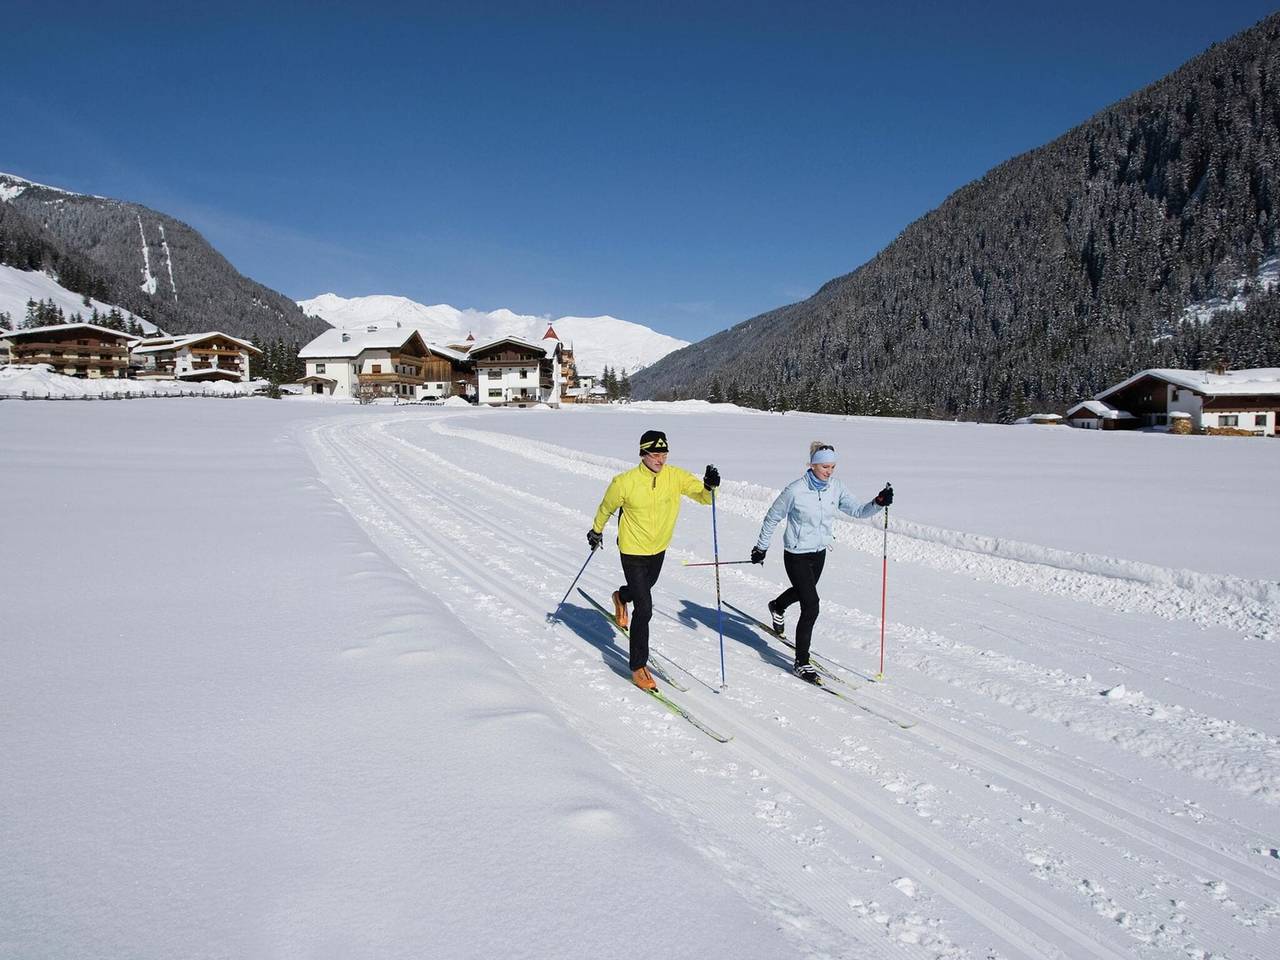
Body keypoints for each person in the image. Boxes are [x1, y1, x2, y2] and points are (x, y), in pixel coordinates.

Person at [587, 429, 720, 690]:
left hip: (658, 549)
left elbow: (704, 499)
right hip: (632, 550)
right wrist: (596, 530)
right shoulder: (624, 482)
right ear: (643, 454)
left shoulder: (675, 477)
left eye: (664, 454)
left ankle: (621, 597)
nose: (661, 460)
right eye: (656, 454)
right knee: (645, 608)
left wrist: (709, 486)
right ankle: (638, 666)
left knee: (641, 591)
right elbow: (606, 507)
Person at [750, 441, 892, 683]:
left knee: (803, 592)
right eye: (825, 466)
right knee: (812, 604)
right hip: (795, 554)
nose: (829, 471)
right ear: (812, 465)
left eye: (833, 467)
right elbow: (772, 517)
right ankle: (801, 662)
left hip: (819, 552)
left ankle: (777, 606)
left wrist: (877, 502)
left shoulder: (836, 488)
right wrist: (761, 547)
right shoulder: (795, 490)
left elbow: (858, 511)